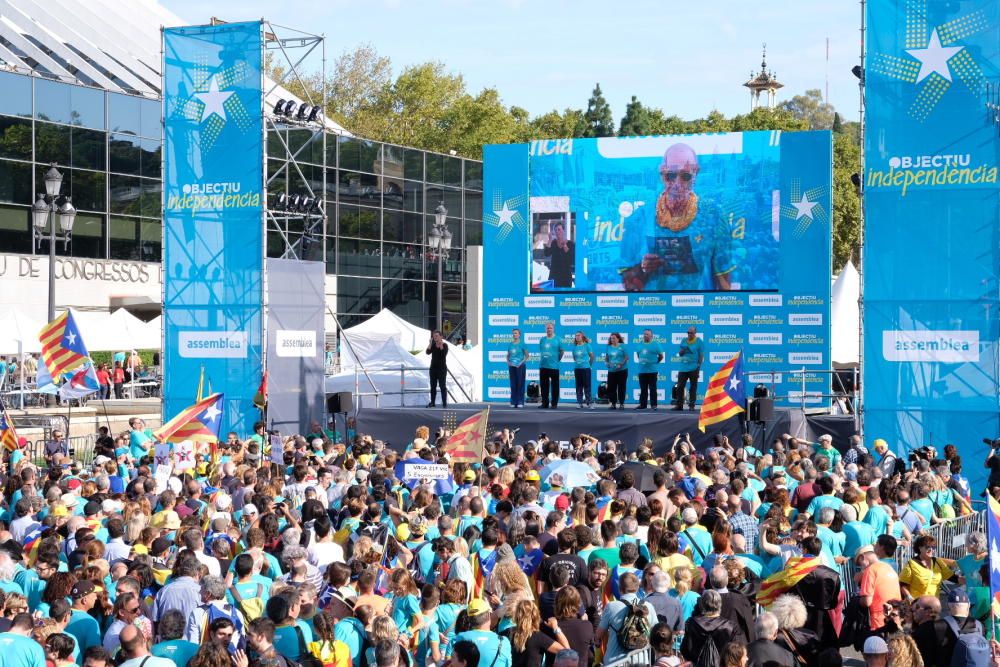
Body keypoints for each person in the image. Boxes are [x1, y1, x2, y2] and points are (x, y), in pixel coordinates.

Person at [619, 143, 736, 291]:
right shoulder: (639, 218)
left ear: (695, 175)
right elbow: (627, 285)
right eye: (671, 175)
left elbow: (725, 285)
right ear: (662, 175)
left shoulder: (714, 216)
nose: (677, 184)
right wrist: (642, 269)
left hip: (699, 310)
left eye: (685, 176)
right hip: (652, 310)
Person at [672, 326, 704, 411]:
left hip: (694, 368)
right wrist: (682, 351)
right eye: (688, 332)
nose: (689, 334)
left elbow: (701, 356)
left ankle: (691, 405)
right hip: (683, 368)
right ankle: (679, 405)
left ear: (695, 333)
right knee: (680, 386)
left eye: (691, 333)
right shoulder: (683, 340)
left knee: (693, 387)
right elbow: (680, 354)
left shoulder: (699, 342)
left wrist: (698, 368)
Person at [634, 329, 663, 410]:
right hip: (642, 370)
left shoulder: (656, 344)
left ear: (651, 336)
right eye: (644, 334)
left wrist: (655, 362)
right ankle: (643, 405)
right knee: (643, 389)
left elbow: (661, 356)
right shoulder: (639, 344)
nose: (645, 335)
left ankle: (654, 405)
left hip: (652, 371)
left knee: (653, 388)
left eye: (647, 334)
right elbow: (638, 355)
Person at [538, 323, 564, 410]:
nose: (549, 329)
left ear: (553, 329)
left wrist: (557, 360)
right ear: (545, 329)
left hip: (554, 366)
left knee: (555, 386)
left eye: (550, 328)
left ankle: (554, 404)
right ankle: (544, 403)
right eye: (547, 328)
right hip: (543, 365)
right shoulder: (542, 340)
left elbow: (562, 351)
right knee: (544, 386)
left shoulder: (558, 339)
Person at [544, 221, 574, 288]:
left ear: (563, 231)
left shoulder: (570, 244)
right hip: (554, 276)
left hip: (566, 277)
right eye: (556, 230)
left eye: (559, 229)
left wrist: (565, 246)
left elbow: (571, 259)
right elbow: (546, 253)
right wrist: (550, 240)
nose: (557, 232)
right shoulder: (553, 243)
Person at [571, 332, 595, 409]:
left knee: (587, 386)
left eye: (579, 335)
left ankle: (589, 403)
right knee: (579, 386)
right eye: (576, 336)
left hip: (586, 369)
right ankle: (580, 402)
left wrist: (589, 365)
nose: (577, 337)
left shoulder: (587, 345)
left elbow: (592, 357)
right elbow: (574, 358)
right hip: (577, 369)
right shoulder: (575, 347)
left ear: (582, 337)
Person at [604, 332, 628, 409]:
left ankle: (621, 403)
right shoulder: (608, 347)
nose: (612, 340)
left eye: (614, 338)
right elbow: (607, 357)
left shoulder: (623, 346)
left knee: (621, 387)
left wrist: (621, 364)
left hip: (622, 370)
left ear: (618, 338)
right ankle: (613, 403)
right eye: (611, 338)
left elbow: (626, 357)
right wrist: (606, 363)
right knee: (611, 387)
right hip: (611, 371)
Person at [425, 330, 448, 408]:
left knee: (442, 386)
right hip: (433, 369)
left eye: (437, 336)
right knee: (433, 386)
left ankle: (444, 403)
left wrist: (441, 344)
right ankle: (432, 402)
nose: (435, 337)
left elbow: (443, 354)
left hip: (441, 369)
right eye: (434, 336)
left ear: (441, 337)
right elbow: (427, 352)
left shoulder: (445, 345)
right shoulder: (433, 345)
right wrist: (430, 343)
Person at [507, 328, 528, 409]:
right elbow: (508, 355)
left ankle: (520, 401)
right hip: (512, 366)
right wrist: (508, 362)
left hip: (520, 366)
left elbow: (527, 356)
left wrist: (520, 363)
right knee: (513, 384)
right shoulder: (510, 344)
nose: (514, 335)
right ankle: (513, 401)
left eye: (516, 333)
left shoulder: (523, 344)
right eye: (513, 333)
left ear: (519, 335)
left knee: (520, 384)